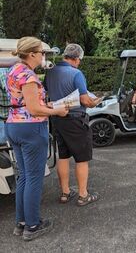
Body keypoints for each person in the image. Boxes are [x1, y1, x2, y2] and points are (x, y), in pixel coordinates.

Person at [4, 37, 68, 241]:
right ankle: (33, 225)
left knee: (23, 175)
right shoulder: (29, 76)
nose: (43, 56)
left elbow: (24, 103)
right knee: (33, 177)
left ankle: (21, 222)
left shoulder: (13, 70)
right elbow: (33, 109)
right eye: (41, 52)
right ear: (31, 54)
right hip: (31, 128)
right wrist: (57, 111)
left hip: (13, 125)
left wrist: (47, 107)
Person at [44, 44, 101, 206]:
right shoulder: (76, 73)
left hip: (57, 118)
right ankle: (83, 195)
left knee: (63, 156)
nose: (79, 63)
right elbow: (84, 99)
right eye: (79, 60)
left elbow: (47, 91)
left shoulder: (51, 72)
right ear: (76, 59)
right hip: (75, 119)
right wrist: (93, 102)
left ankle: (65, 193)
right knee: (82, 158)